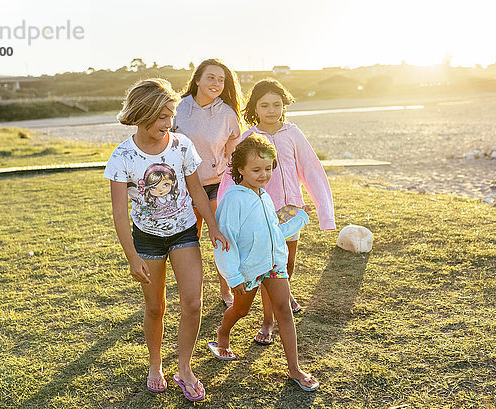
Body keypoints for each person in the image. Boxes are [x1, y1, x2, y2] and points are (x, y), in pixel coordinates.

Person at [104, 78, 229, 402]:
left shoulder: (181, 146)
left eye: (170, 115)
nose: (168, 123)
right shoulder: (122, 156)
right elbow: (119, 214)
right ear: (142, 114)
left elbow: (197, 190)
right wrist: (132, 256)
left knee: (193, 302)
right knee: (156, 307)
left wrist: (213, 227)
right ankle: (156, 365)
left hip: (184, 231)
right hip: (147, 240)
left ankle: (184, 368)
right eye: (161, 116)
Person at [218, 79, 336, 346]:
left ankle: (282, 299)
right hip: (258, 217)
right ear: (254, 108)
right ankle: (268, 322)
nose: (271, 110)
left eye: (277, 104)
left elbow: (312, 169)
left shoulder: (293, 133)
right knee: (265, 268)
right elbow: (230, 178)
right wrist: (223, 219)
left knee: (286, 265)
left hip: (290, 212)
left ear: (284, 106)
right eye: (264, 105)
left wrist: (324, 212)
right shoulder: (248, 139)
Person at [207, 134, 319, 391]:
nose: (264, 175)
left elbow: (274, 234)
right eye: (256, 169)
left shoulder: (265, 197)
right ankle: (223, 334)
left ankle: (294, 369)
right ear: (240, 169)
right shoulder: (233, 200)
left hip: (274, 264)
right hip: (247, 269)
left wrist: (300, 218)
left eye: (268, 168)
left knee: (284, 311)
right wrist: (233, 277)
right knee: (241, 310)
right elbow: (226, 243)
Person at [172, 59, 243, 308]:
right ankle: (191, 293)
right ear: (198, 79)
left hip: (216, 184)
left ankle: (226, 288)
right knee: (190, 241)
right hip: (182, 187)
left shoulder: (227, 114)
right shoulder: (178, 109)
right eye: (211, 77)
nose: (216, 83)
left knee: (221, 238)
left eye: (221, 80)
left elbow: (234, 154)